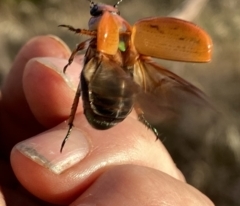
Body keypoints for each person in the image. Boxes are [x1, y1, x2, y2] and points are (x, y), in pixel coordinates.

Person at [0, 36, 214, 205]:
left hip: (109, 108)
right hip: (104, 109)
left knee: (94, 84)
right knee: (80, 85)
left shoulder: (123, 46)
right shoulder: (98, 43)